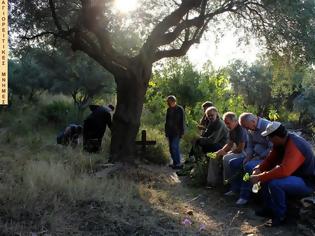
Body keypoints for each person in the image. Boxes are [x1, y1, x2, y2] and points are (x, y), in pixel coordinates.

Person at [250, 122, 315, 227]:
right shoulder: (280, 143)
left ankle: (279, 216)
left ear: (275, 137)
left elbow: (284, 170)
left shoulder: (295, 145)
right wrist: (258, 169)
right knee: (266, 178)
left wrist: (260, 177)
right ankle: (269, 209)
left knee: (275, 183)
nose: (269, 140)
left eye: (269, 137)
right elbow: (270, 160)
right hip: (294, 177)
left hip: (306, 182)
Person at [229, 112, 272, 205]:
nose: (246, 129)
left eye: (247, 127)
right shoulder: (250, 128)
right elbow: (250, 145)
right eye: (245, 127)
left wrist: (258, 157)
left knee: (248, 167)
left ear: (253, 121)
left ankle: (244, 196)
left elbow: (272, 149)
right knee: (233, 163)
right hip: (255, 156)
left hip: (266, 158)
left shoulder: (268, 126)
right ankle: (235, 190)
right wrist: (248, 156)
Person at [215, 112, 248, 195]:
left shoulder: (240, 129)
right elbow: (229, 144)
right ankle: (226, 183)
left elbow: (241, 148)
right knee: (222, 156)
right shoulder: (232, 130)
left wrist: (228, 152)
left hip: (247, 153)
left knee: (226, 158)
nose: (227, 125)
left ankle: (230, 183)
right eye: (225, 123)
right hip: (239, 151)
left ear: (235, 121)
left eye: (228, 123)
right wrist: (222, 151)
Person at [165, 95, 185, 169]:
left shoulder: (179, 109)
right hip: (170, 131)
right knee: (171, 148)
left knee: (174, 146)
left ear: (174, 101)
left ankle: (178, 164)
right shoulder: (168, 109)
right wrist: (166, 132)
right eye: (169, 102)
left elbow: (182, 121)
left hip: (177, 131)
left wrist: (182, 132)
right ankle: (175, 163)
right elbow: (166, 121)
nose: (170, 103)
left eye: (171, 101)